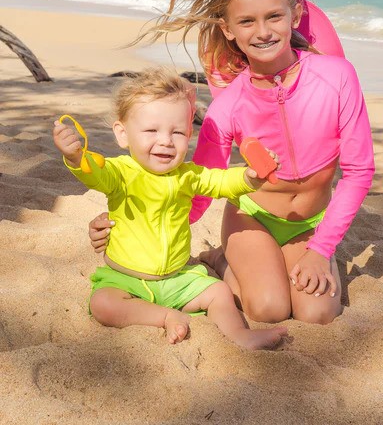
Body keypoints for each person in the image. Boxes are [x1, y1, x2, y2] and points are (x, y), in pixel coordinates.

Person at [89, 0, 375, 325]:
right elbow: (199, 184)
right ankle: (220, 258)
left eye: (274, 16)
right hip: (252, 218)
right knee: (268, 309)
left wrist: (321, 250)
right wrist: (125, 221)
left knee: (317, 314)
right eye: (247, 21)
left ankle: (286, 259)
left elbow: (358, 172)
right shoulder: (227, 107)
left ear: (295, 13)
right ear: (228, 30)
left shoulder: (337, 77)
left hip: (311, 222)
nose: (263, 31)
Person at [54, 67, 287, 348]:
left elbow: (221, 181)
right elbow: (95, 173)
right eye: (151, 130)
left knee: (218, 291)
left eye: (177, 132)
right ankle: (165, 316)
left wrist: (249, 177)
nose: (165, 140)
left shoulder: (188, 175)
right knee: (102, 303)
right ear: (123, 133)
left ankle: (240, 335)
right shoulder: (121, 172)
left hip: (177, 278)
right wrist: (76, 157)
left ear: (189, 134)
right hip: (126, 279)